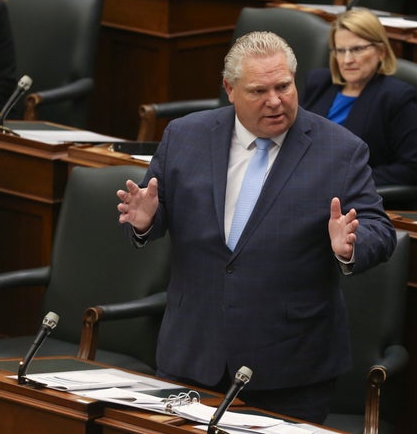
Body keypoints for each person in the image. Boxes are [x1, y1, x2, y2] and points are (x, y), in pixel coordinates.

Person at [116, 31, 397, 423]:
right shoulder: (185, 136)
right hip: (193, 352)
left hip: (290, 367)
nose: (275, 101)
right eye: (259, 90)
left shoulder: (341, 149)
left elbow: (378, 230)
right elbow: (152, 213)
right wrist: (146, 222)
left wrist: (350, 245)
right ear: (230, 89)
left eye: (284, 86)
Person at [302, 8, 417, 188]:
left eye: (357, 49)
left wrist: (347, 179)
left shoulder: (395, 96)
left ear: (381, 52)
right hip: (304, 184)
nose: (347, 60)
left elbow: (413, 169)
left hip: (349, 199)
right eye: (340, 50)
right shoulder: (318, 83)